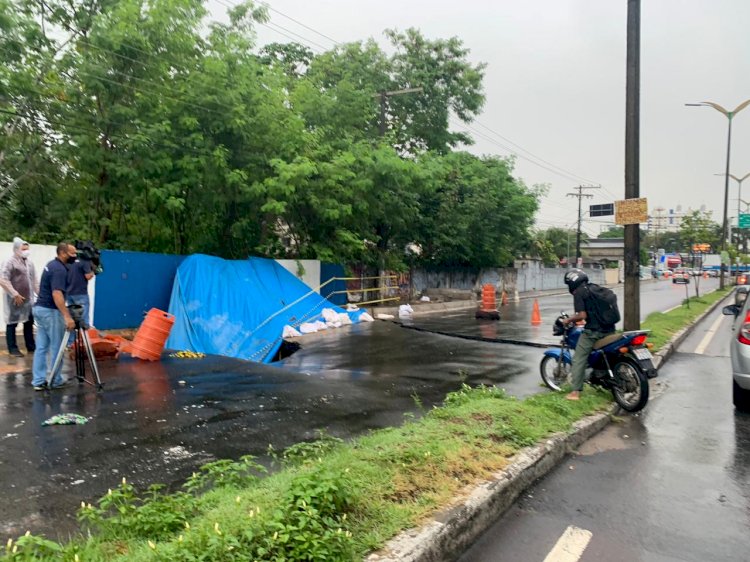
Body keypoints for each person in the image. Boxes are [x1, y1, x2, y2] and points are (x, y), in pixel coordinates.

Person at [562, 268, 616, 401]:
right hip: (609, 330)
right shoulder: (595, 288)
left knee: (578, 358)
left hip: (594, 332)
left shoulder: (579, 293)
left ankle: (575, 392)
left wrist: (568, 320)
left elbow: (582, 315)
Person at [31, 242, 77, 390]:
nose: (74, 256)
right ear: (62, 253)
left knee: (41, 347)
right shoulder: (59, 270)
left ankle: (38, 381)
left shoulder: (51, 264)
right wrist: (67, 316)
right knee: (57, 346)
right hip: (50, 311)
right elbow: (57, 293)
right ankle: (55, 380)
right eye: (72, 253)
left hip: (40, 309)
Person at [0, 237, 39, 357]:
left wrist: (40, 295)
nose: (26, 251)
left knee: (29, 322)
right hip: (14, 299)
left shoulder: (29, 263)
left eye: (27, 249)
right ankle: (13, 348)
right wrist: (14, 293)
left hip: (28, 299)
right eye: (23, 249)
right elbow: (3, 279)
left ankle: (31, 346)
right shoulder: (10, 262)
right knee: (12, 323)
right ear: (16, 249)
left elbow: (34, 281)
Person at [66, 250, 95, 341]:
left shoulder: (70, 262)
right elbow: (88, 276)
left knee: (72, 319)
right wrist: (93, 271)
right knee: (83, 319)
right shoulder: (85, 262)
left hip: (69, 293)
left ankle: (71, 342)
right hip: (81, 294)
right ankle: (85, 341)